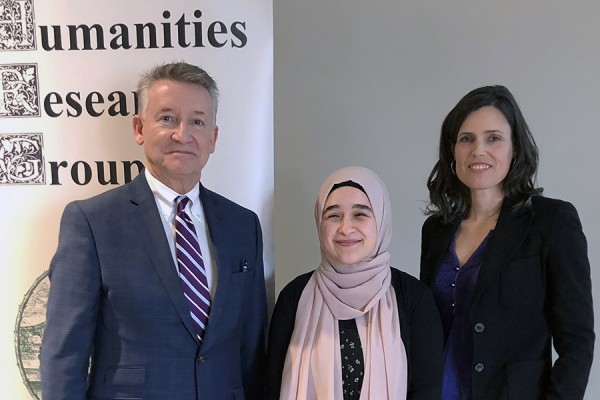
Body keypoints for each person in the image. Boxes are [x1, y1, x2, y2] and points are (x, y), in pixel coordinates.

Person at [41, 62, 268, 399]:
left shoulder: (242, 225)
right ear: (139, 128)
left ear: (213, 138)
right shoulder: (92, 222)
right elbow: (64, 357)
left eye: (197, 121)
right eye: (167, 118)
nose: (183, 134)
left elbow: (251, 349)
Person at [420, 85, 595, 400]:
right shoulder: (436, 230)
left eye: (494, 138)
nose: (478, 151)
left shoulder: (552, 221)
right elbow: (428, 329)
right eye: (466, 139)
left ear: (515, 146)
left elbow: (577, 341)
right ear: (452, 150)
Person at [267, 166, 444, 400]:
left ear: (381, 219)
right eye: (333, 215)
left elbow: (426, 391)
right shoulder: (294, 296)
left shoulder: (414, 298)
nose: (345, 228)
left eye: (360, 214)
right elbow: (270, 388)